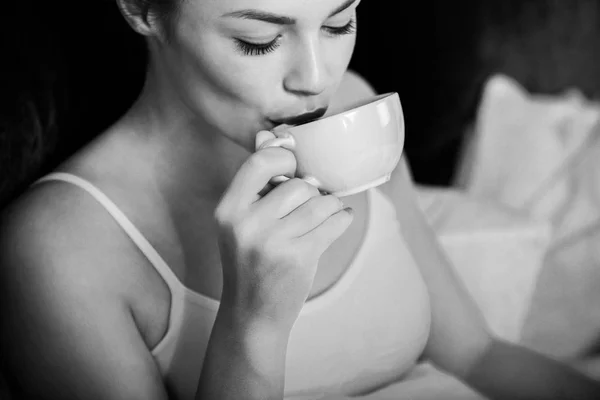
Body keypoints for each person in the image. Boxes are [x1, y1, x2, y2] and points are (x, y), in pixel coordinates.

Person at [0, 0, 599, 399]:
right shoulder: (60, 249)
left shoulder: (353, 116)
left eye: (339, 23)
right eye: (258, 41)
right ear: (142, 9)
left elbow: (476, 356)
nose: (317, 78)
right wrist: (253, 321)